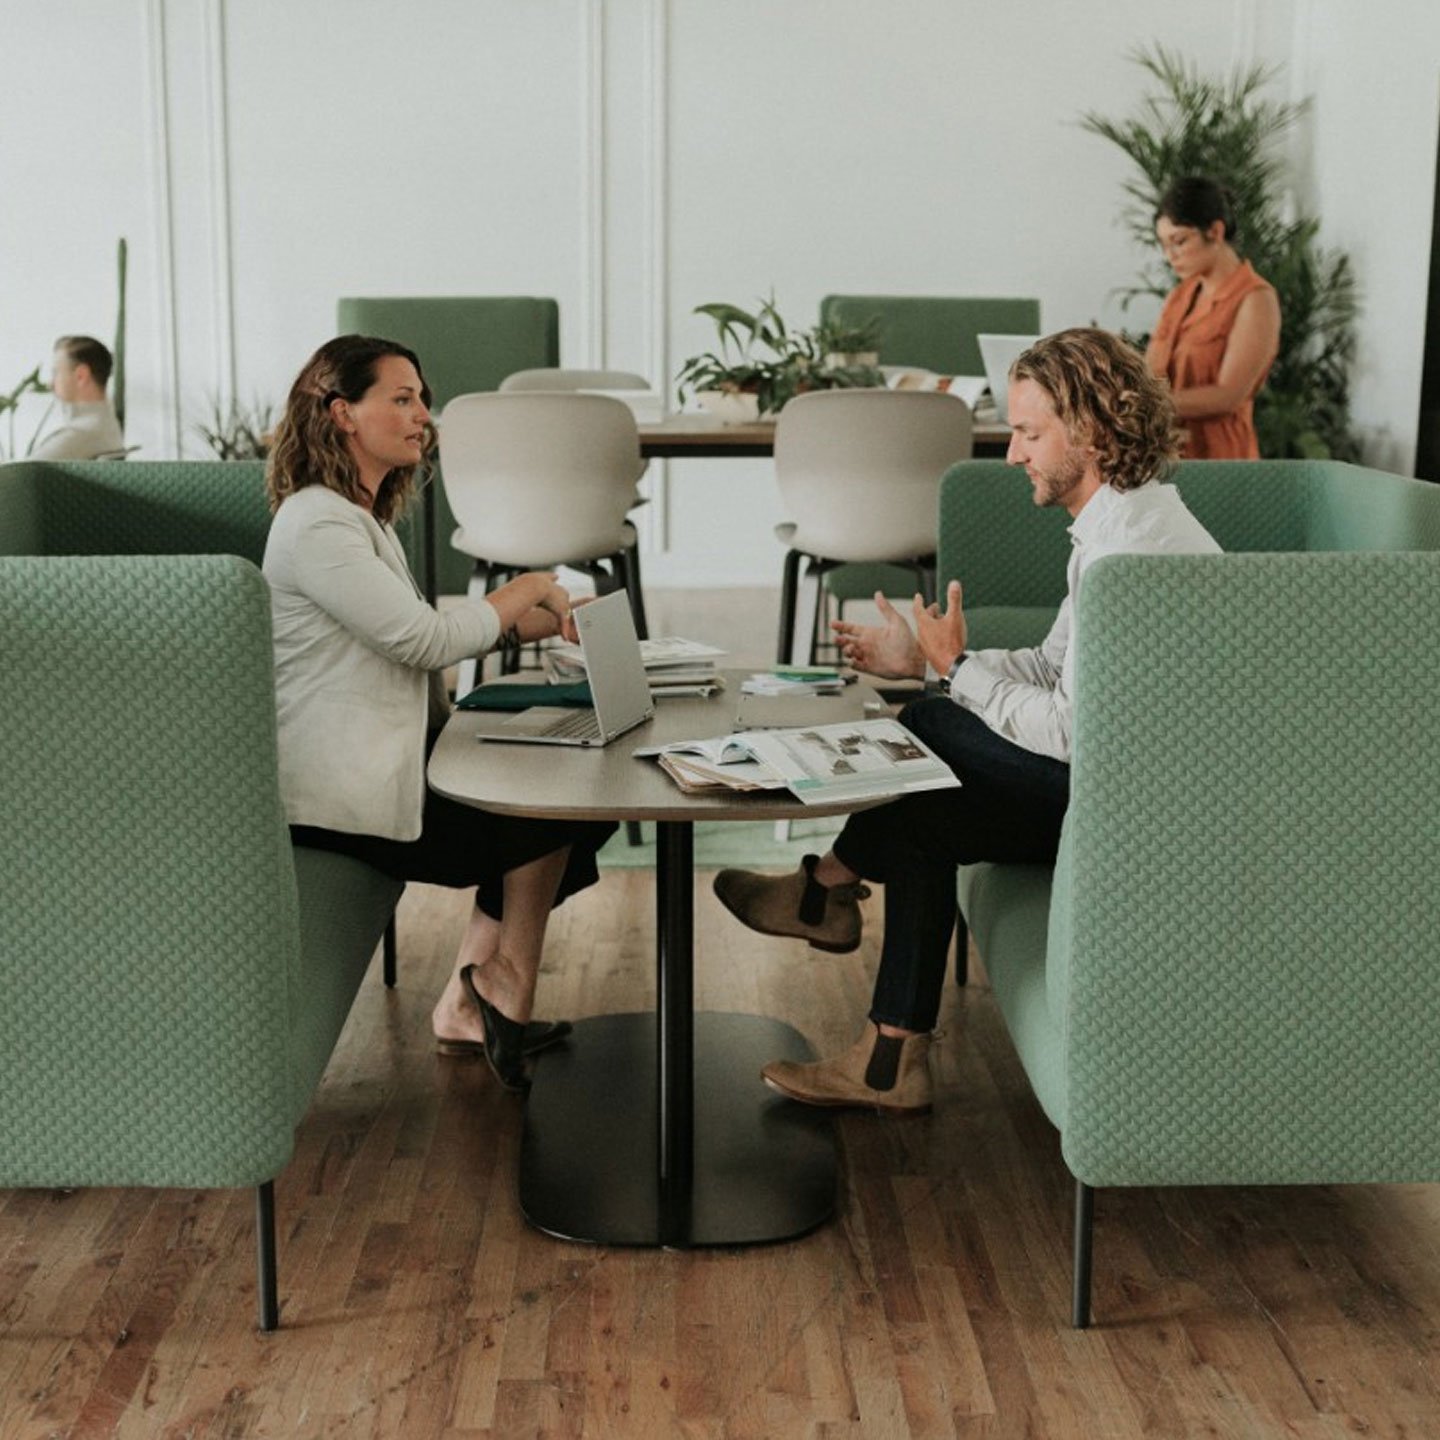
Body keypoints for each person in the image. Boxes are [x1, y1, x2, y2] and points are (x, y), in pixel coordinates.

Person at [713, 328, 1222, 1113]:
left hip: (1137, 812)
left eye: (1028, 432)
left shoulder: (1136, 550)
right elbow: (1057, 667)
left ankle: (827, 889)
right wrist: (929, 658)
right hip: (1112, 782)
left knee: (935, 724)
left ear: (1089, 428)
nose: (1013, 453)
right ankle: (887, 1063)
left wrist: (952, 672)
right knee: (928, 815)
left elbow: (1075, 732)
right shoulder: (1115, 524)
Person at [263, 334, 615, 1093]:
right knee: (556, 807)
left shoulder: (359, 519)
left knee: (582, 790)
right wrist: (526, 587)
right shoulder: (318, 524)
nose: (424, 414)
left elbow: (403, 635)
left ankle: (473, 998)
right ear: (342, 413)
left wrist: (536, 620)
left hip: (386, 762)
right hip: (339, 797)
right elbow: (424, 641)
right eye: (403, 398)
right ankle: (500, 989)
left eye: (422, 397)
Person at [1144, 176, 1281, 460]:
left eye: (1179, 241)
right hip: (1169, 455)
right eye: (1164, 245)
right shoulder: (1180, 297)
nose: (1170, 256)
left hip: (1222, 460)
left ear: (1215, 232)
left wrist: (1145, 403)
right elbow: (1149, 374)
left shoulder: (1255, 298)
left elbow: (1228, 395)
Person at [29, 335, 126, 460]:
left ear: (81, 376)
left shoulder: (79, 436)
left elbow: (19, 476)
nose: (50, 383)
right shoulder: (106, 426)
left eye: (56, 373)